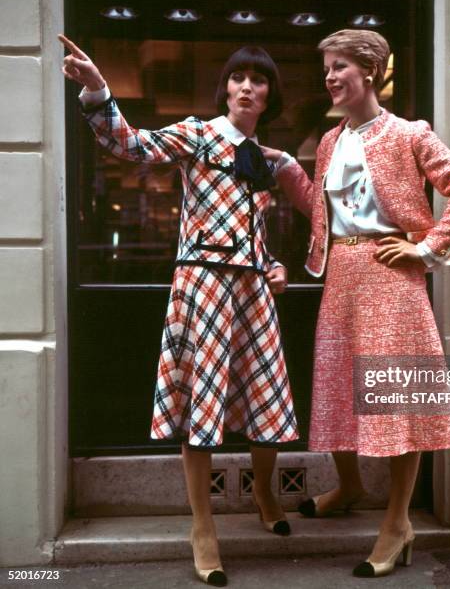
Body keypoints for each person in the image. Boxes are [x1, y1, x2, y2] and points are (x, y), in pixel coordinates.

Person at [60, 34, 298, 587]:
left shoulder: (264, 158)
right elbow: (133, 146)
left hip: (254, 288)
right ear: (226, 88)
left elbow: (253, 229)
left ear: (268, 95)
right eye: (238, 77)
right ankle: (203, 527)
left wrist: (274, 263)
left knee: (264, 399)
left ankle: (264, 491)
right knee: (203, 405)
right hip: (205, 285)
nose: (246, 86)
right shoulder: (197, 134)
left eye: (258, 79)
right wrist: (98, 88)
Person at [265, 29, 450, 578]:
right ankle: (349, 485)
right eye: (326, 69)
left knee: (397, 397)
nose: (329, 77)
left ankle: (397, 523)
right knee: (340, 385)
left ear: (369, 72)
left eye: (339, 66)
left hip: (393, 278)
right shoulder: (328, 141)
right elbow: (321, 207)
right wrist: (284, 168)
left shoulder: (408, 134)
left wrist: (427, 248)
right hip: (340, 276)